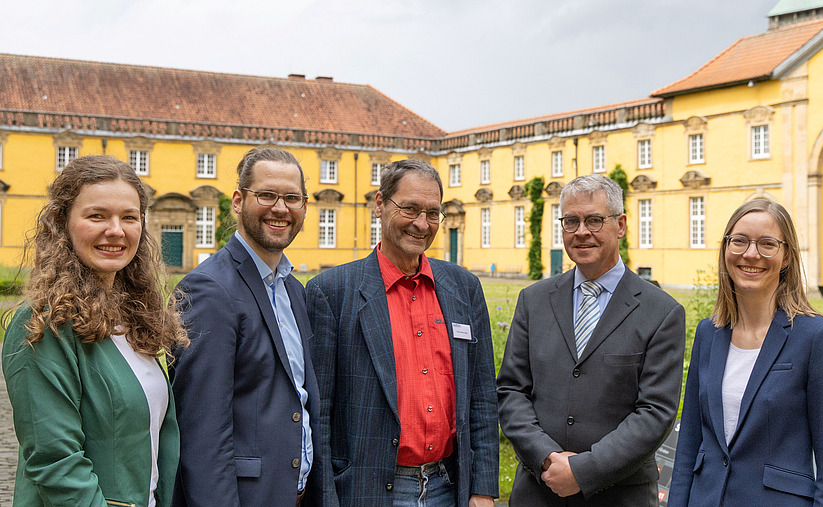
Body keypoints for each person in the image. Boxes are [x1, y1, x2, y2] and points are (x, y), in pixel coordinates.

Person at [305, 159, 499, 507]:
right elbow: (320, 413)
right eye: (409, 208)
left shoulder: (464, 288)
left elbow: (482, 398)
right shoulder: (332, 292)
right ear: (380, 204)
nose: (422, 224)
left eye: (433, 213)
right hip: (368, 490)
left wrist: (482, 489)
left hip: (447, 486)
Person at [2, 154, 187, 506]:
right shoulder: (45, 324)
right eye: (97, 216)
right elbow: (55, 463)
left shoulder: (134, 315)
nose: (116, 230)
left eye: (129, 217)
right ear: (63, 223)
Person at [497, 174, 685, 506]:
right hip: (539, 491)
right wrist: (547, 457)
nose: (581, 231)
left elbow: (655, 411)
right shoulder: (534, 300)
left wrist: (583, 470)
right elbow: (511, 390)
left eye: (594, 220)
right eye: (571, 221)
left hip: (619, 495)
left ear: (621, 225)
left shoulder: (662, 312)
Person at [669, 199, 823, 506]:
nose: (750, 254)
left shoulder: (818, 338)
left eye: (767, 244)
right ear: (726, 247)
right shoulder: (707, 333)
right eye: (739, 241)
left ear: (787, 256)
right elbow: (689, 444)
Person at [170, 147, 321, 506]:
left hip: (293, 493)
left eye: (292, 198)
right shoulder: (208, 289)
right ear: (238, 201)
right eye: (266, 195)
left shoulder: (293, 290)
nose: (280, 208)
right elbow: (201, 430)